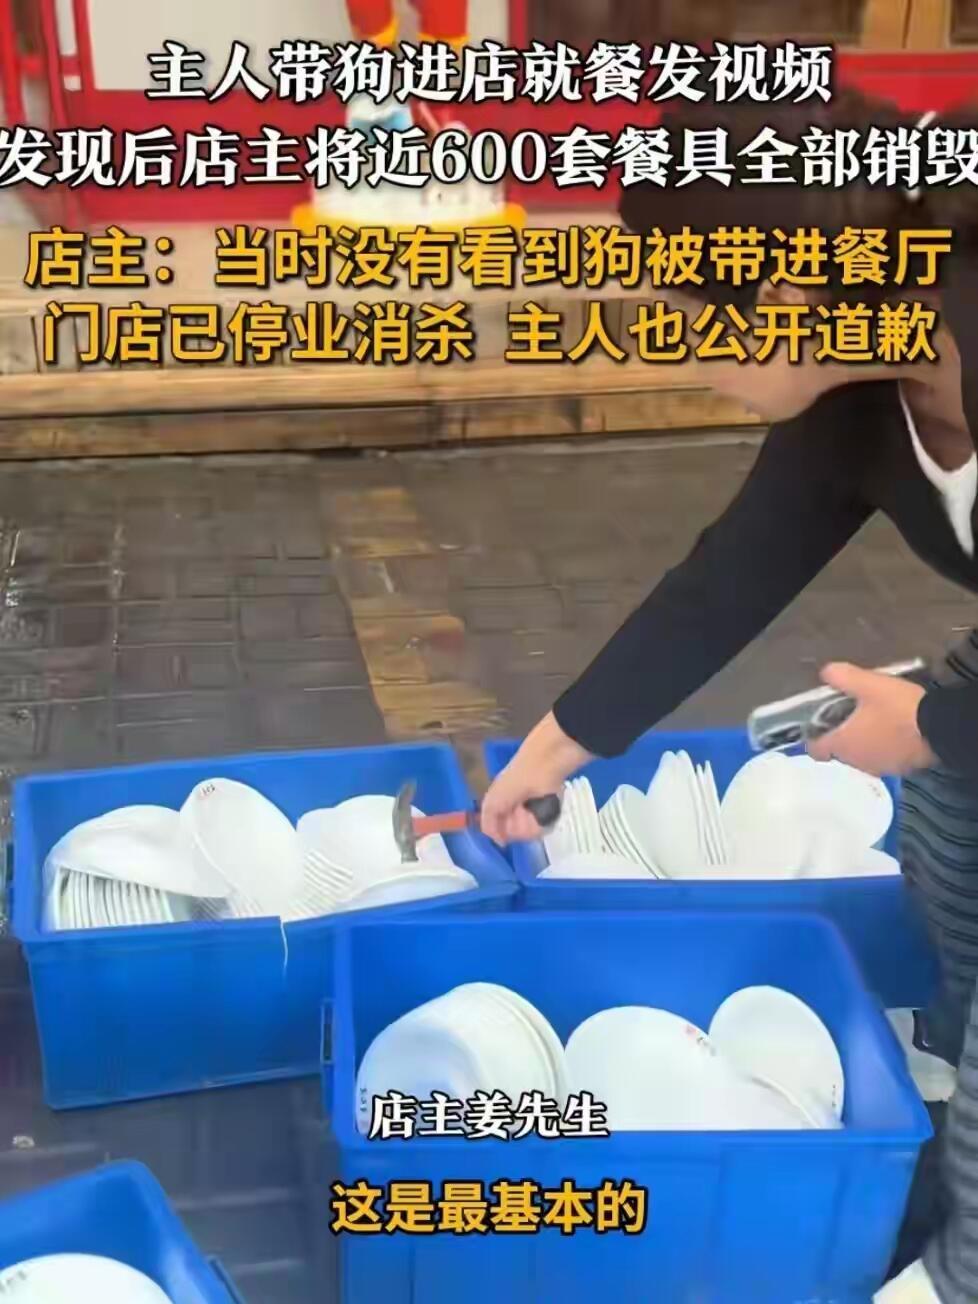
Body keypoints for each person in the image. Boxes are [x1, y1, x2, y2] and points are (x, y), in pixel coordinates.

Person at [480, 88, 978, 1304]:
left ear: (789, 296)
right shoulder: (863, 389)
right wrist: (557, 744)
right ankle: (951, 1054)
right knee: (946, 815)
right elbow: (729, 577)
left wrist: (927, 724)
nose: (672, 346)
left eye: (681, 313)